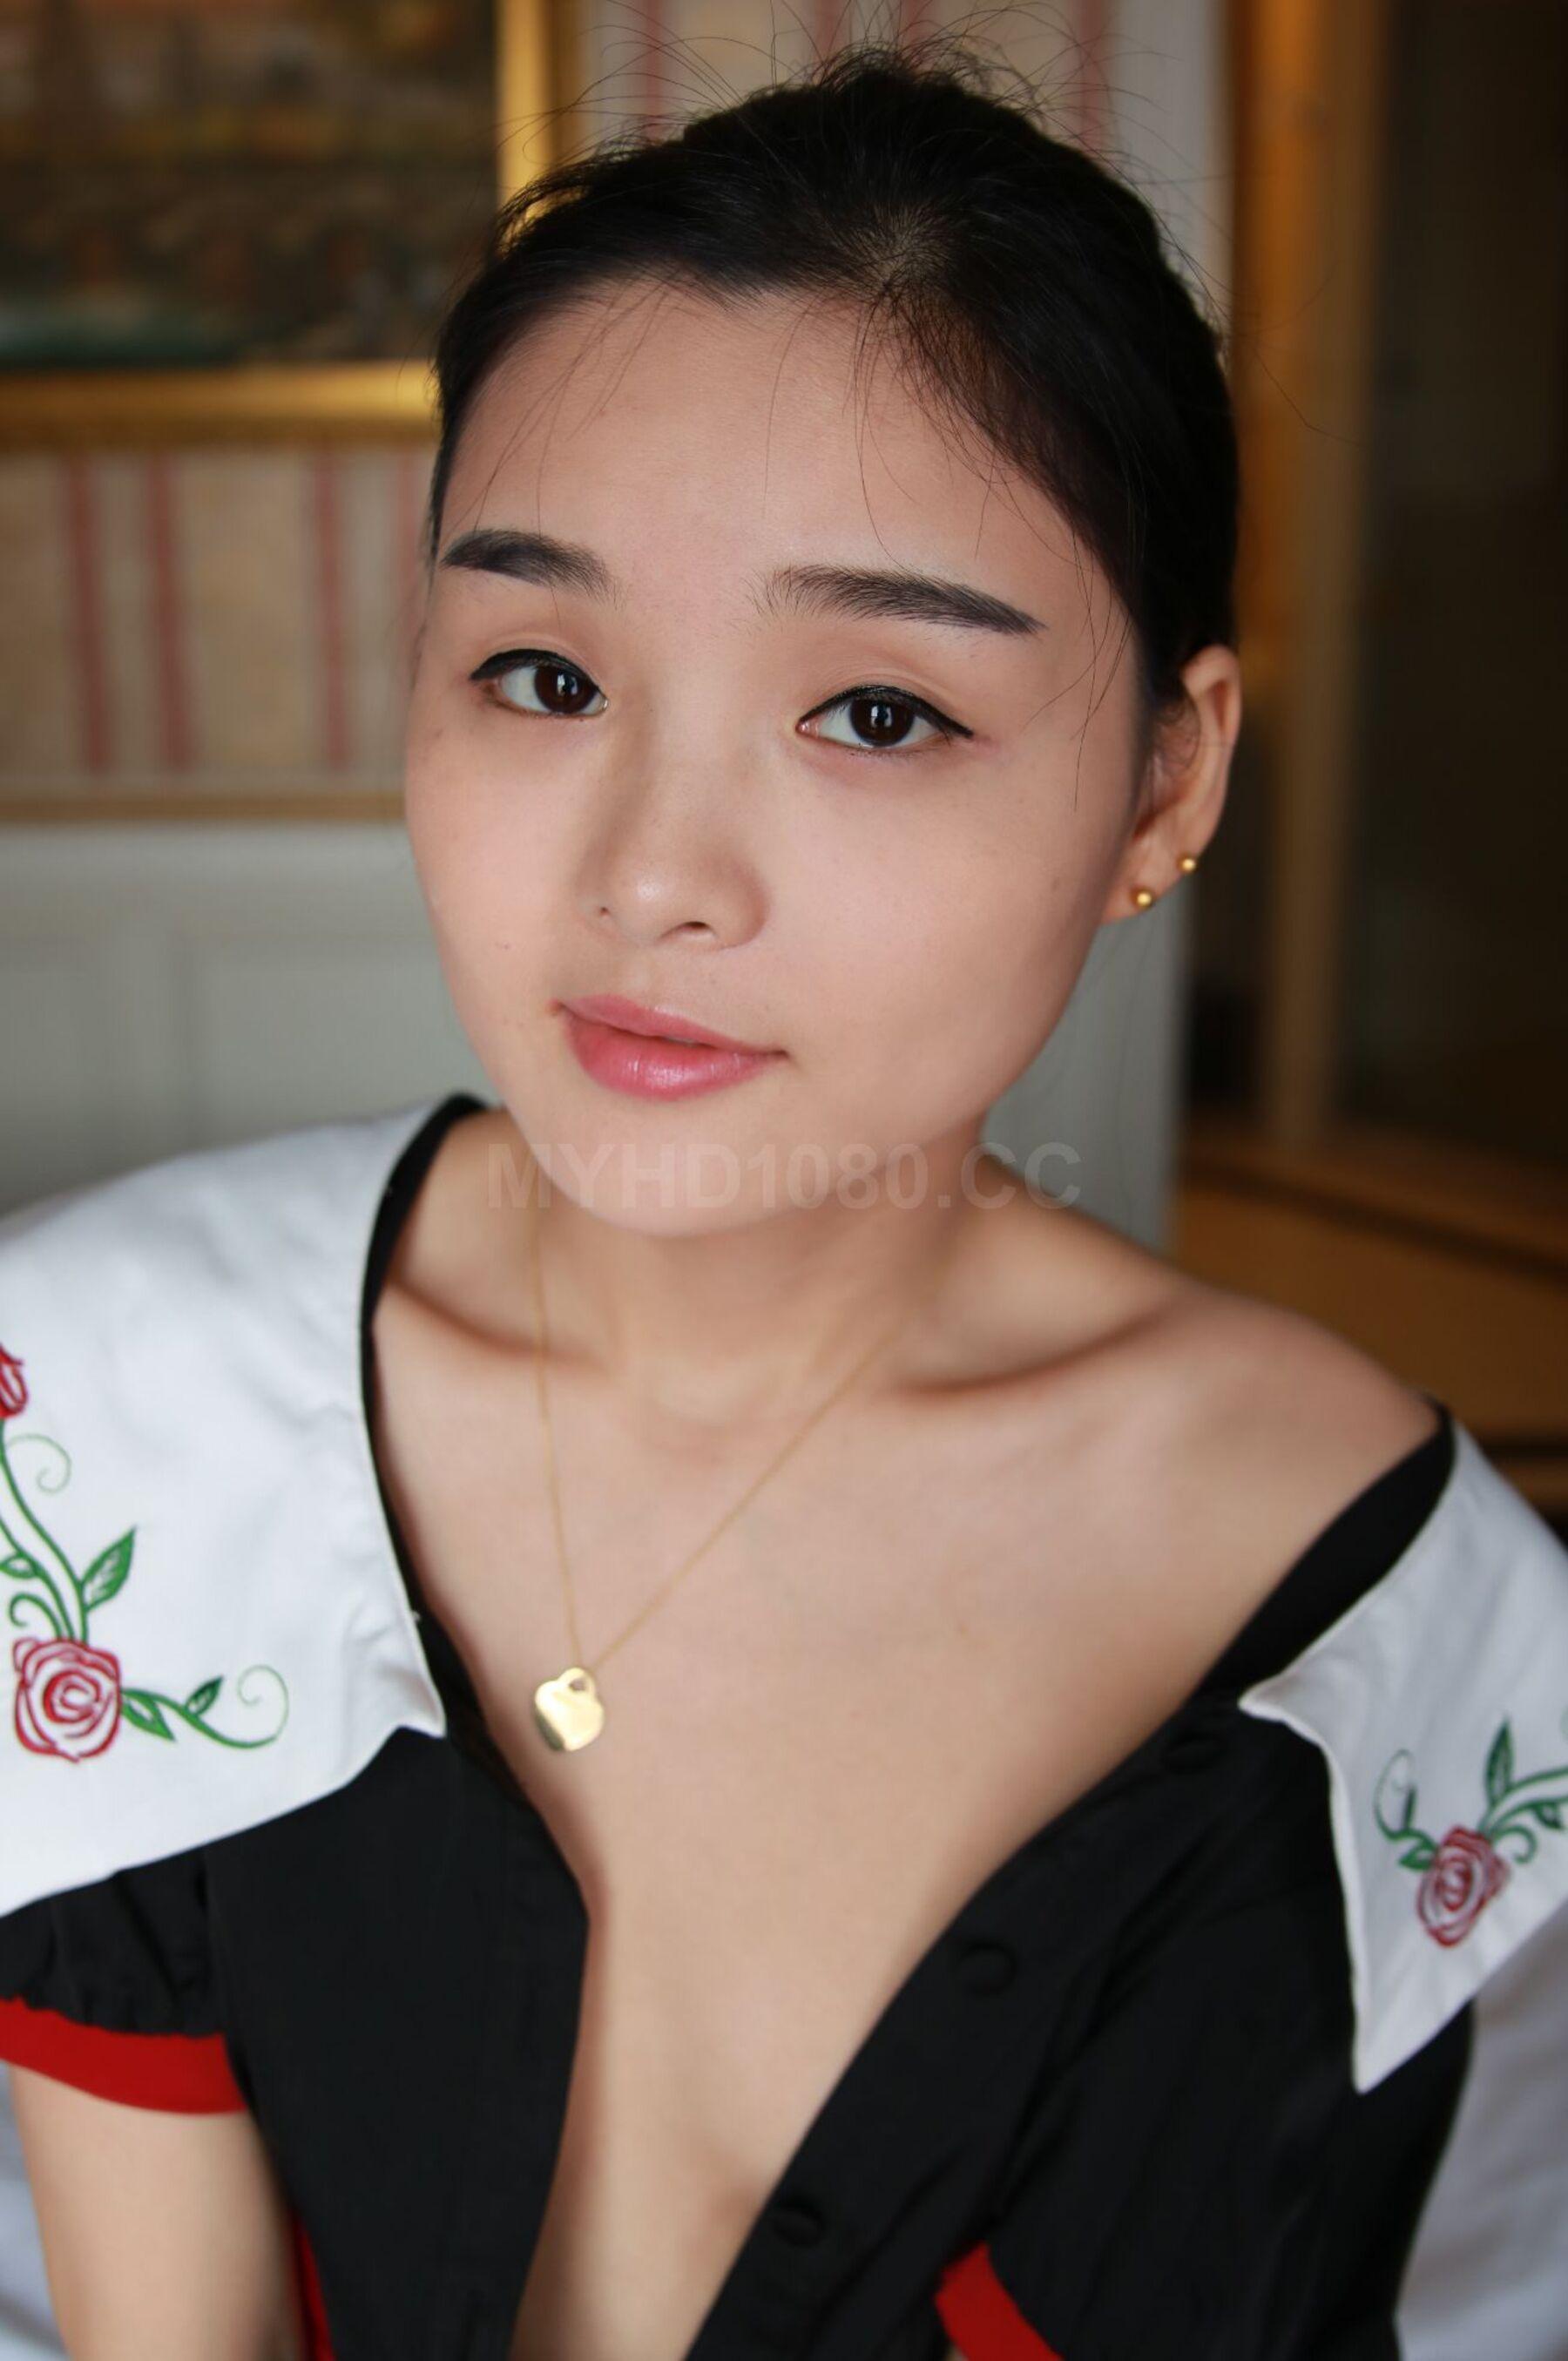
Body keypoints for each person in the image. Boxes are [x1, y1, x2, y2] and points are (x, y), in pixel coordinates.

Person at [3, 37, 1565, 2361]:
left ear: (1169, 781)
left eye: (878, 713)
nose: (653, 876)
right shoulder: (114, 1405)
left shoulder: (1396, 1645)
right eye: (544, 672)